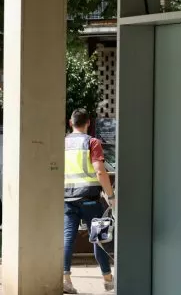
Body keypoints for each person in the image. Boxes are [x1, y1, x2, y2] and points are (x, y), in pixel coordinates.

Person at [63, 108, 116, 294]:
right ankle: (108, 279)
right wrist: (111, 197)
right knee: (99, 238)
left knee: (68, 238)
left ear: (71, 123)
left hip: (68, 198)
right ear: (88, 123)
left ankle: (66, 279)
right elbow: (100, 171)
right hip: (90, 199)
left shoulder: (62, 143)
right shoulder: (92, 142)